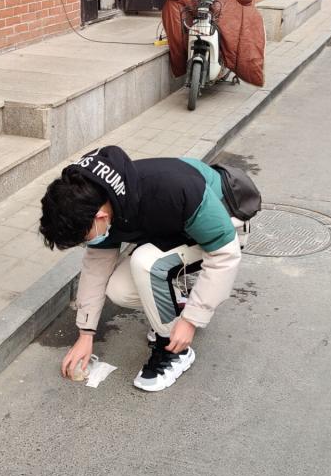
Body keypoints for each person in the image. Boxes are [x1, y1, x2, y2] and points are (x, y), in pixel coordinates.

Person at [39, 145, 243, 392]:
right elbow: (96, 266)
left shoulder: (171, 189)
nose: (86, 244)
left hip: (227, 225)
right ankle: (175, 306)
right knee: (118, 289)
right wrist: (85, 334)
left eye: (84, 238)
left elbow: (225, 254)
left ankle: (174, 351)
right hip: (175, 232)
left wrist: (192, 320)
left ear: (101, 217)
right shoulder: (101, 199)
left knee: (145, 262)